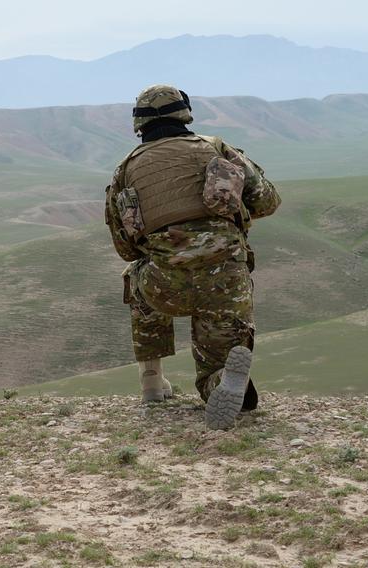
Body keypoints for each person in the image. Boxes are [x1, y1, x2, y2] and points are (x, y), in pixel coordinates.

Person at [104, 85, 281, 429]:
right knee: (217, 358)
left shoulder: (125, 170)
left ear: (139, 123)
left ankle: (151, 381)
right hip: (226, 279)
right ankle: (220, 382)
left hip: (164, 283)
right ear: (184, 112)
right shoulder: (216, 149)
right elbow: (267, 201)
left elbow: (125, 246)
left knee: (136, 274)